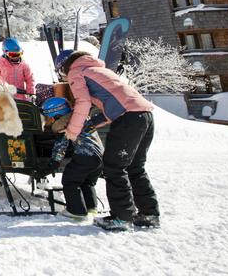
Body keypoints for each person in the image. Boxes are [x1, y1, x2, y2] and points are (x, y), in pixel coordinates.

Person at [55, 49, 160, 232]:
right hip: (144, 115)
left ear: (64, 66)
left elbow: (83, 102)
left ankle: (121, 218)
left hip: (127, 118)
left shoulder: (76, 71)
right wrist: (95, 122)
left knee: (113, 167)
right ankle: (149, 214)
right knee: (135, 167)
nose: (65, 77)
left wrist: (72, 130)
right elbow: (116, 103)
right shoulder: (97, 69)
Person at [40, 96, 103, 221]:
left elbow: (60, 147)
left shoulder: (63, 125)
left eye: (49, 118)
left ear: (56, 115)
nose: (49, 121)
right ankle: (91, 208)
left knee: (70, 181)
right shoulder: (81, 117)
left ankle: (76, 211)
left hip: (85, 156)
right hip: (100, 157)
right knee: (87, 182)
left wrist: (54, 163)